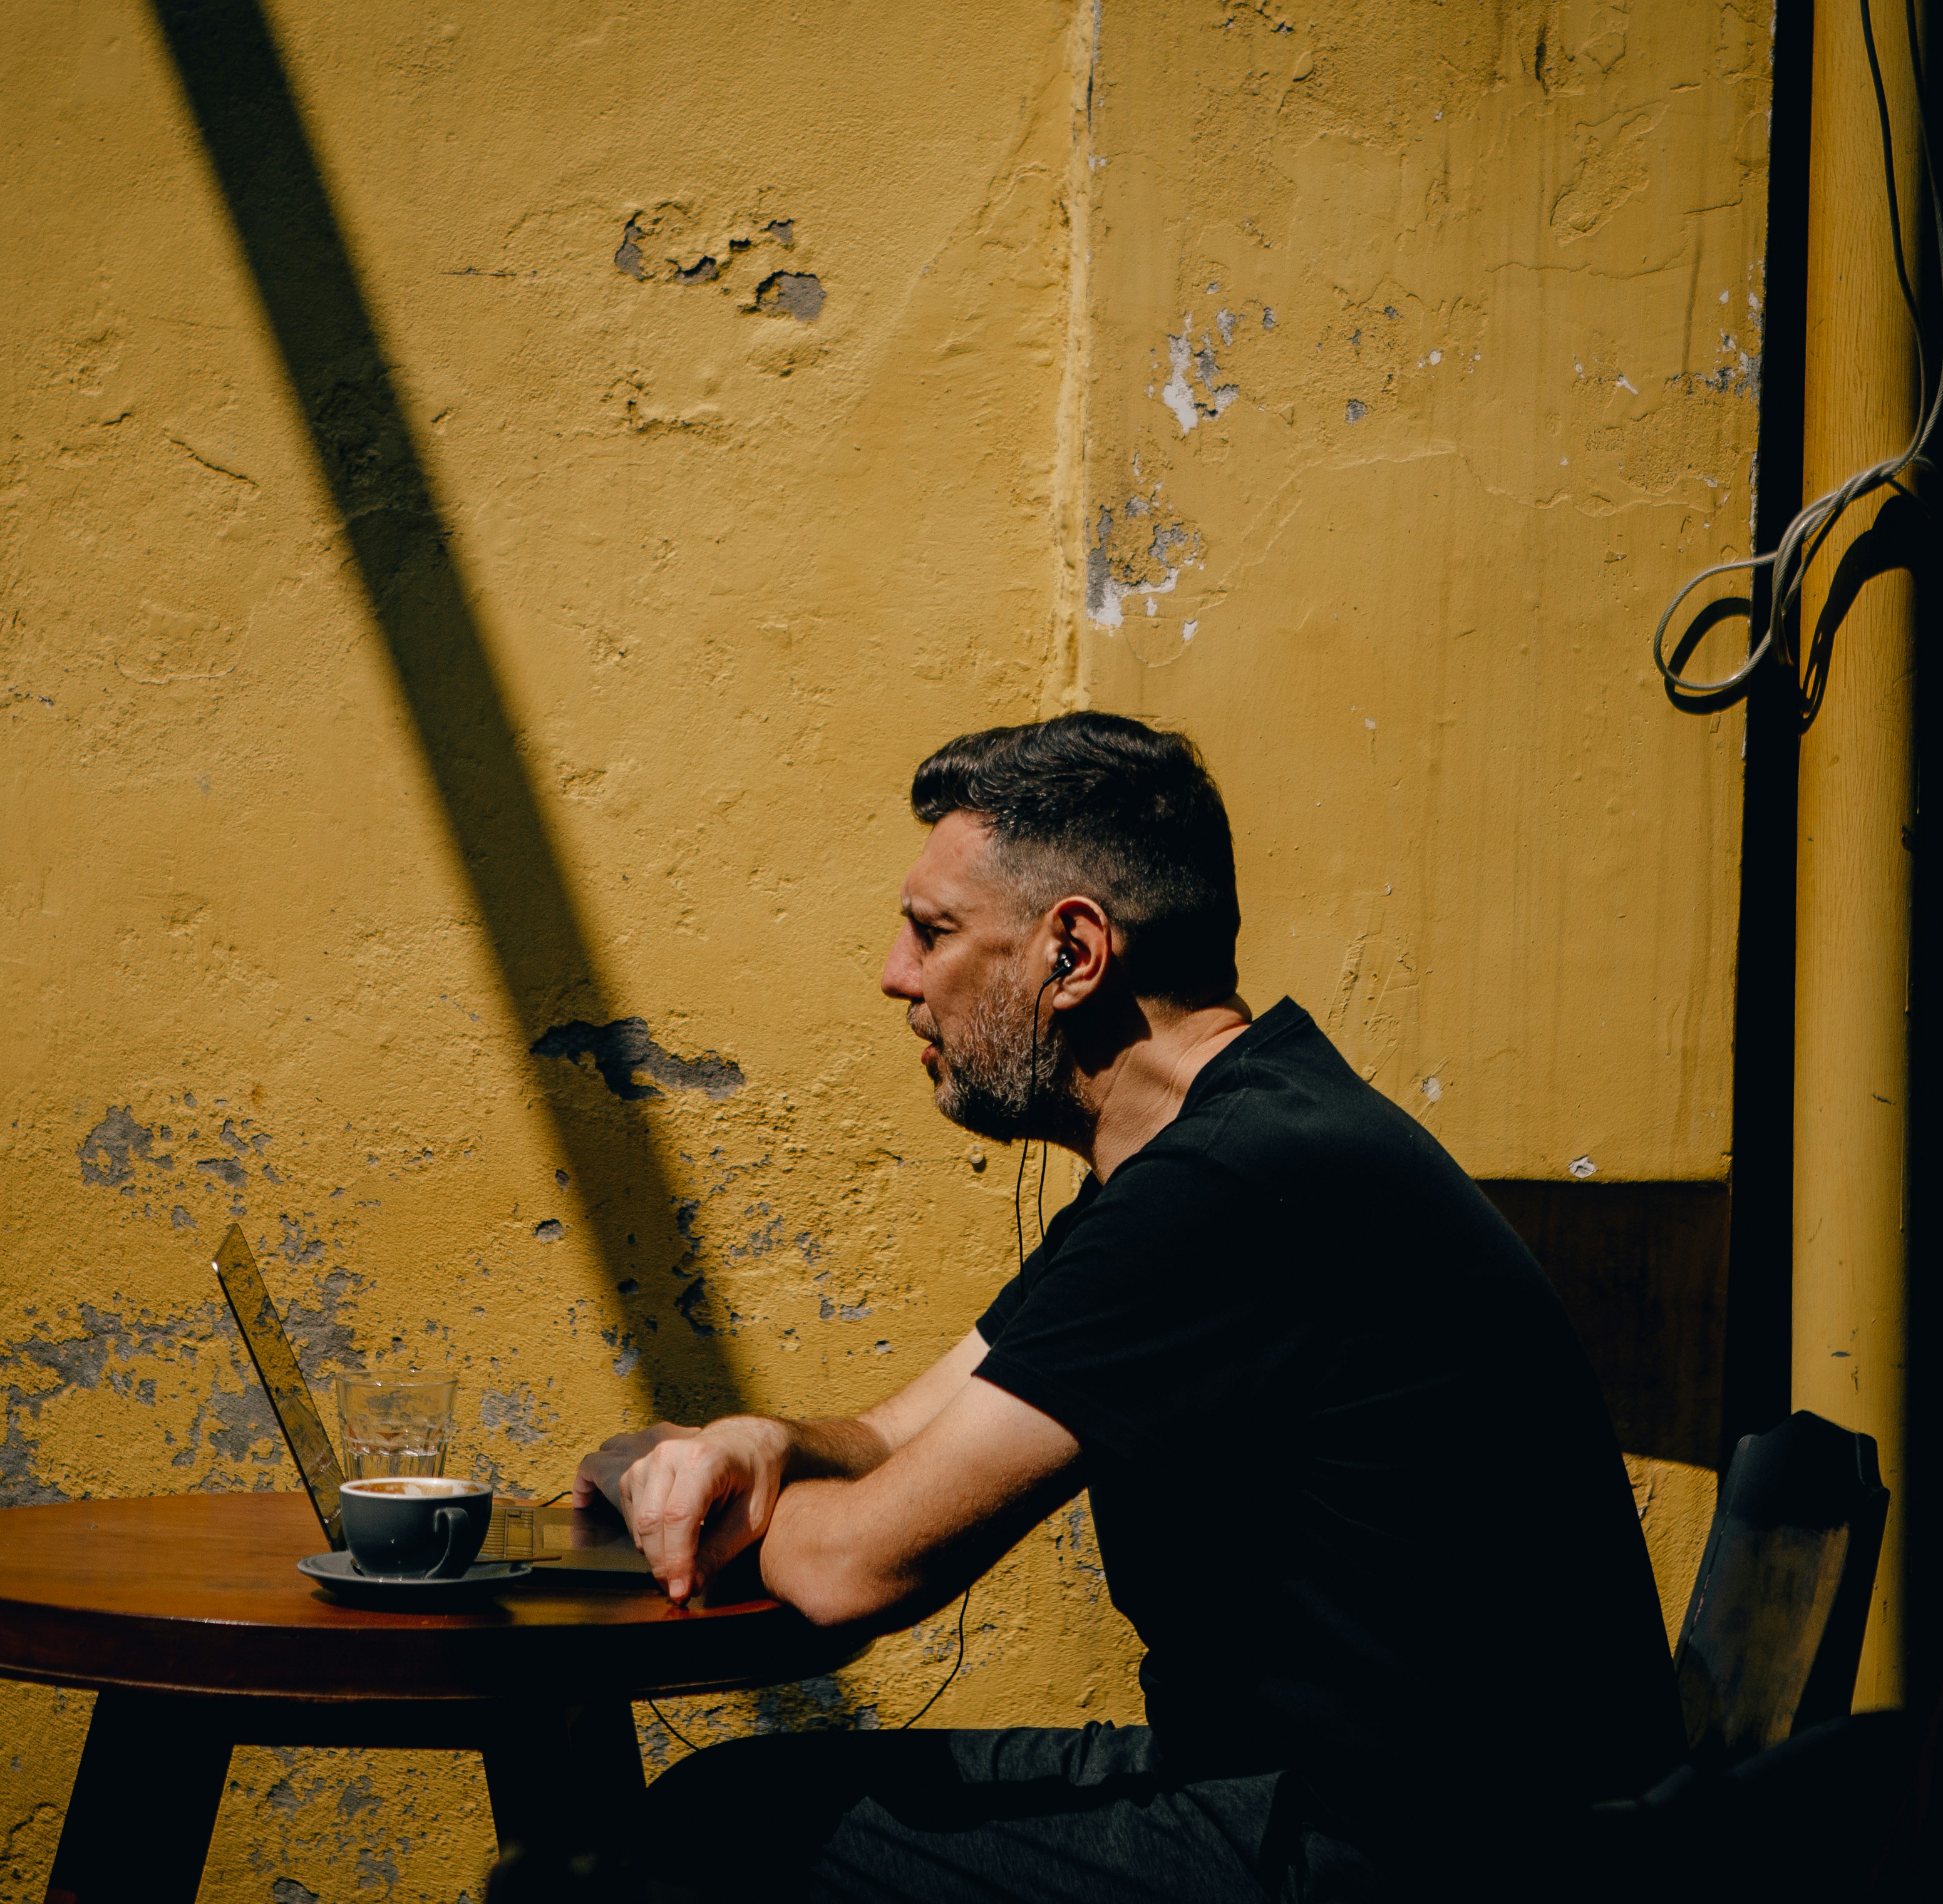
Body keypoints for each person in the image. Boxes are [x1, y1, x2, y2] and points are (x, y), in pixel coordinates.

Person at [577, 713, 1680, 1903]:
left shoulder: (1232, 1190)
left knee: (719, 1837)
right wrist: (761, 1443)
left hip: (1414, 1850)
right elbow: (901, 1431)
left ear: (1073, 952)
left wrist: (699, 1518)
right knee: (727, 1807)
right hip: (1322, 1799)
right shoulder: (1222, 1146)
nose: (896, 974)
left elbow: (856, 1572)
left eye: (932, 931)